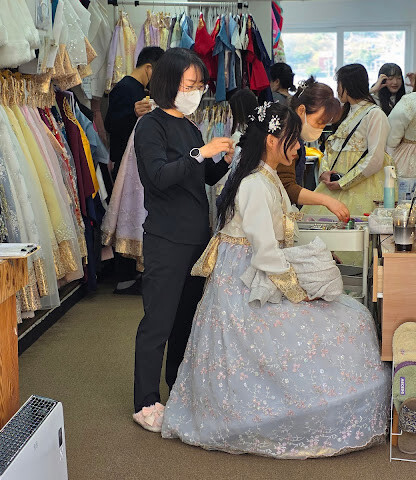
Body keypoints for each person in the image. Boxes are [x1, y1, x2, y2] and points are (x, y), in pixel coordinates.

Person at [160, 102, 390, 458]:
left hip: (256, 273)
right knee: (348, 319)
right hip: (245, 283)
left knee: (350, 315)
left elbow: (279, 240)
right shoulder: (255, 183)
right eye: (293, 140)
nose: (299, 148)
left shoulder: (266, 179)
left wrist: (310, 266)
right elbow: (266, 252)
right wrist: (299, 291)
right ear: (271, 141)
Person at [132, 48, 234, 430]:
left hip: (195, 237)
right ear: (169, 83)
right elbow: (159, 176)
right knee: (158, 321)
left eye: (199, 85)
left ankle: (176, 385)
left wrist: (220, 162)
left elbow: (200, 177)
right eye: (190, 84)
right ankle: (145, 401)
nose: (196, 92)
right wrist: (200, 152)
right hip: (166, 237)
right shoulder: (150, 126)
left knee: (185, 321)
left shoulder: (190, 126)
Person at [104, 46, 164, 295]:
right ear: (149, 68)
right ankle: (124, 278)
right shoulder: (125, 88)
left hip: (135, 165)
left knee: (136, 216)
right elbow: (110, 124)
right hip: (125, 163)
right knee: (127, 216)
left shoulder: (139, 90)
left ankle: (133, 274)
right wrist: (132, 112)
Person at [302, 64, 391, 217]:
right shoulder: (344, 112)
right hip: (333, 185)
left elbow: (375, 158)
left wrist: (343, 182)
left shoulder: (375, 114)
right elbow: (331, 148)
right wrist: (324, 172)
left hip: (361, 188)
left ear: (347, 86)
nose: (337, 90)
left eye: (339, 84)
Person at [277, 77, 350, 221]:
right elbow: (287, 186)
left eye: (324, 125)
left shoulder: (294, 134)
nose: (320, 129)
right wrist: (326, 200)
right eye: (319, 122)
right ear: (301, 110)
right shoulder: (285, 136)